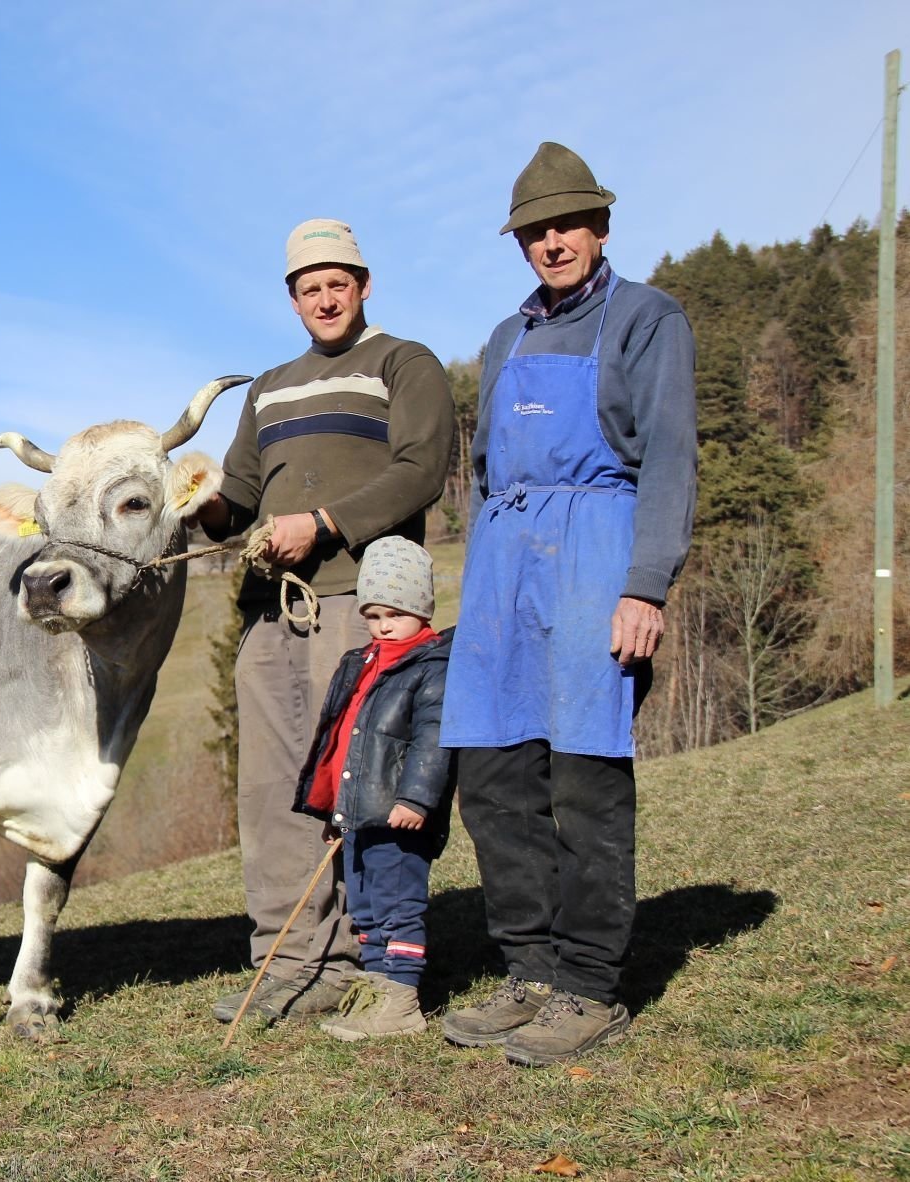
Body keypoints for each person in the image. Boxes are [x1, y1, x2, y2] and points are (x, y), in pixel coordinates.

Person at [439, 143, 698, 1066]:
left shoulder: (646, 317)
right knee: (495, 776)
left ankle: (588, 985)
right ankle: (531, 969)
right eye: (533, 231)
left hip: (596, 550)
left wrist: (643, 584)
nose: (550, 242)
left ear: (599, 226)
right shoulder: (504, 338)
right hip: (504, 560)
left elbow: (668, 454)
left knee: (585, 776)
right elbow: (479, 470)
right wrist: (480, 570)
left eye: (564, 225)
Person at [197, 219, 454, 1023]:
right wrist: (195, 502)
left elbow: (420, 471)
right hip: (267, 611)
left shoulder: (401, 363)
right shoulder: (267, 387)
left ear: (364, 283)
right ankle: (287, 963)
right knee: (272, 789)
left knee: (357, 783)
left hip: (361, 604)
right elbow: (236, 495)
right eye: (309, 287)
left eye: (337, 281)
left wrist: (326, 523)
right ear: (291, 297)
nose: (325, 296)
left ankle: (365, 960)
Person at [292, 537, 454, 1041]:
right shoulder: (360, 662)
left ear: (421, 609)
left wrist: (416, 798)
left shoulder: (431, 667)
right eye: (373, 614)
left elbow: (434, 739)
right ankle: (374, 988)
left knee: (396, 903)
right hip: (358, 815)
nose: (383, 625)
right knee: (362, 906)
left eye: (396, 614)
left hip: (399, 818)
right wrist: (333, 810)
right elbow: (341, 743)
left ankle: (400, 996)